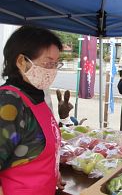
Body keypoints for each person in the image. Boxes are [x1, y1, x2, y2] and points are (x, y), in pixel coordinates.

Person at [0, 26, 65, 195]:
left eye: (56, 63)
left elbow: (32, 151)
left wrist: (53, 172)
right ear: (22, 61)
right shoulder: (9, 102)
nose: (53, 70)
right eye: (48, 63)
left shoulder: (36, 97)